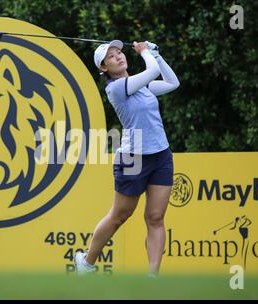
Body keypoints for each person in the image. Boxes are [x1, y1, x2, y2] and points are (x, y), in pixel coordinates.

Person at [74, 39, 180, 277]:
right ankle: (87, 262)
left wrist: (156, 53)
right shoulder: (116, 89)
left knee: (155, 217)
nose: (118, 56)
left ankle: (152, 278)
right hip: (133, 158)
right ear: (104, 69)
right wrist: (145, 52)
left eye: (118, 52)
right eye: (110, 57)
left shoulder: (142, 86)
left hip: (161, 155)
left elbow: (173, 82)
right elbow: (151, 71)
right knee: (120, 215)